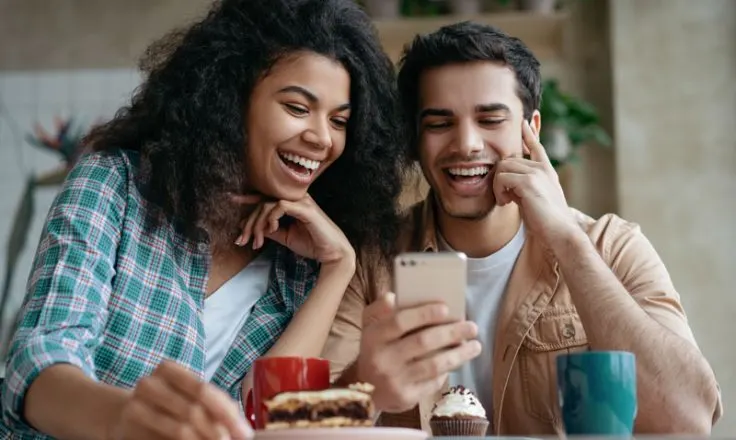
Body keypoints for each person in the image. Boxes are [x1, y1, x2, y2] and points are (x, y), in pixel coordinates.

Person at [0, 0, 406, 438]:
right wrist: (123, 420)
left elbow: (272, 420)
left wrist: (337, 268)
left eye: (339, 121)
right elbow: (38, 361)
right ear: (231, 98)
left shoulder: (303, 264)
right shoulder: (115, 187)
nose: (322, 137)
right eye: (296, 107)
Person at [322, 21, 723, 435]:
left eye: (491, 119)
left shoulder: (612, 246)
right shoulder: (371, 260)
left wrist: (567, 240)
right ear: (416, 140)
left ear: (531, 130)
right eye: (440, 124)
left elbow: (688, 417)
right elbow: (307, 429)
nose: (467, 144)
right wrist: (366, 390)